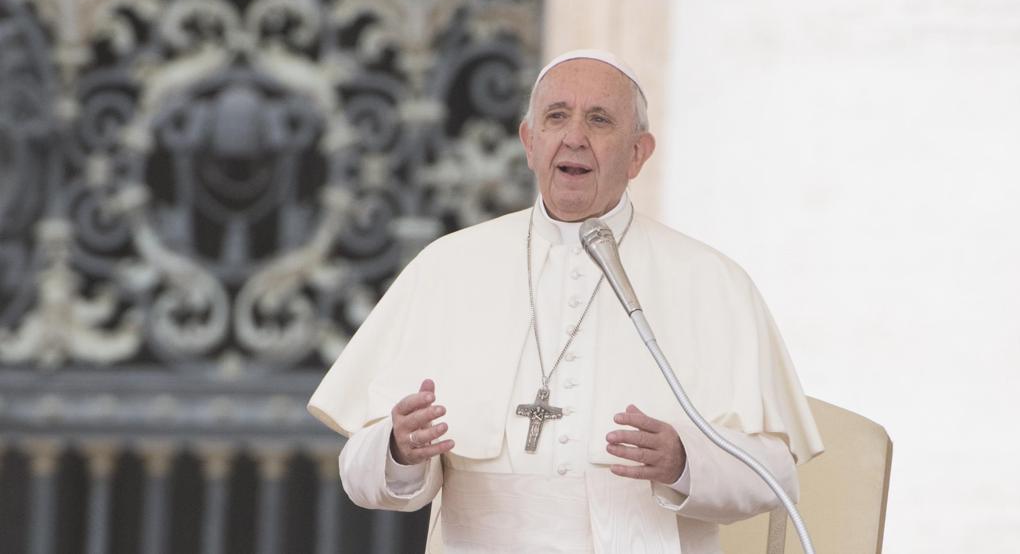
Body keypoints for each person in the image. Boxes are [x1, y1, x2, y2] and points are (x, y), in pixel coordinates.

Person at [308, 49, 823, 553]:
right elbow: (358, 471)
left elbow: (777, 475)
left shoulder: (712, 282)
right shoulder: (447, 267)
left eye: (599, 120)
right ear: (530, 143)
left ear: (639, 153)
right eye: (557, 117)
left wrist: (684, 461)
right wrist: (398, 449)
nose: (574, 137)